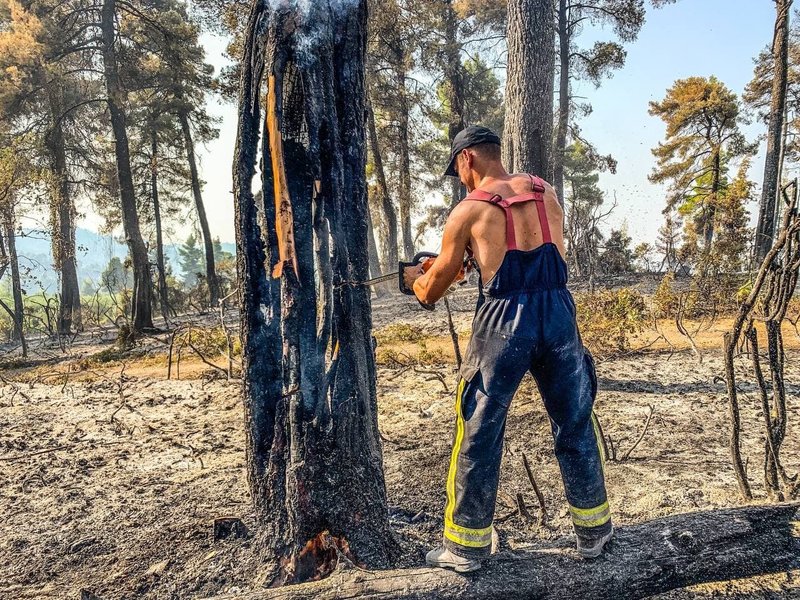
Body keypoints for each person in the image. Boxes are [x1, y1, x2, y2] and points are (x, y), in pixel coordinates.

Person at [403, 125, 612, 573]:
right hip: (557, 311)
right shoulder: (546, 192)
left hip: (504, 323)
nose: (460, 180)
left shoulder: (468, 211)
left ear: (467, 160)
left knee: (479, 426)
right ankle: (594, 532)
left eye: (457, 170)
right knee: (575, 419)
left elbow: (431, 291)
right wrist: (468, 261)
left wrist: (417, 278)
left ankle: (466, 548)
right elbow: (542, 248)